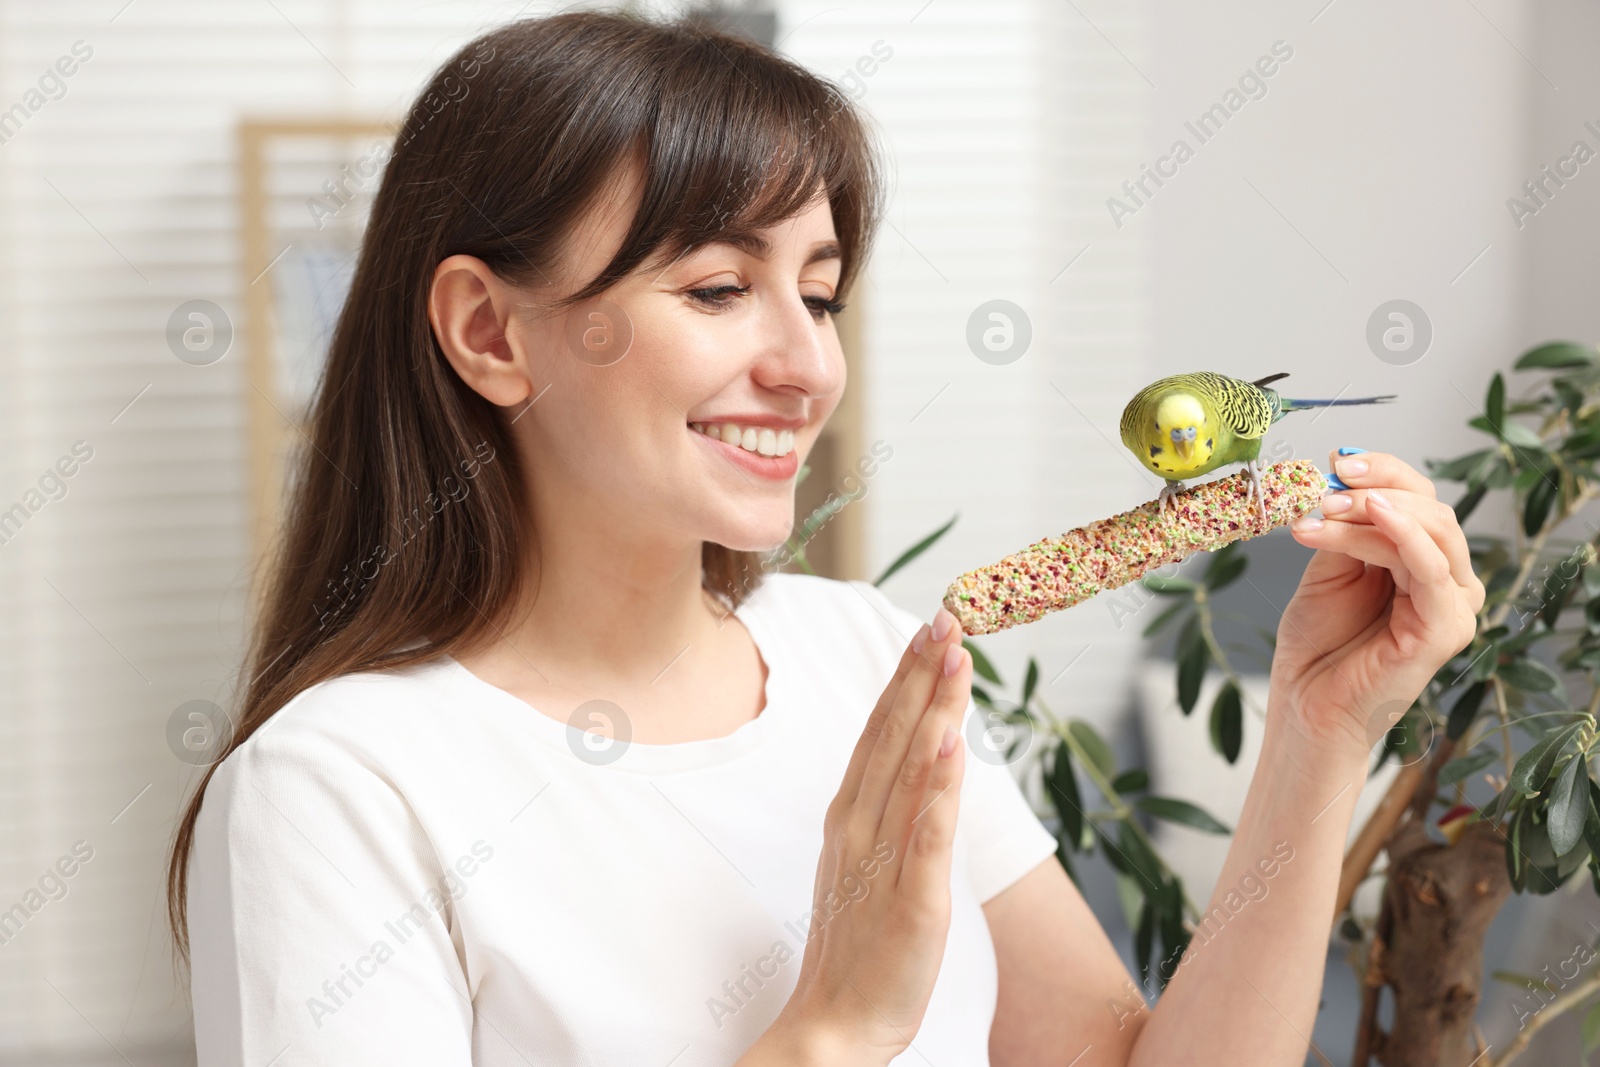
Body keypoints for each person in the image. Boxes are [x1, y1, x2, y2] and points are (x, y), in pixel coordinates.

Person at [168, 10, 1484, 1066]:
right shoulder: (338, 791)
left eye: (821, 292)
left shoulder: (867, 660)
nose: (808, 366)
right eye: (722, 287)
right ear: (490, 334)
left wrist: (1323, 741)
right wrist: (830, 1033)